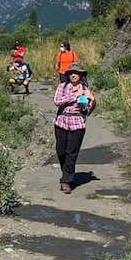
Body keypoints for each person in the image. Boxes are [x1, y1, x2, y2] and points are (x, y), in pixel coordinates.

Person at [53, 63, 95, 194]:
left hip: (77, 122)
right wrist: (75, 96)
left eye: (76, 73)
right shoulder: (62, 86)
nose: (73, 75)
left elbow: (87, 110)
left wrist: (92, 101)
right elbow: (57, 101)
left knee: (72, 152)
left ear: (81, 75)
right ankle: (67, 172)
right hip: (61, 121)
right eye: (71, 73)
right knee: (61, 150)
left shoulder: (86, 89)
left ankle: (66, 180)